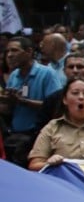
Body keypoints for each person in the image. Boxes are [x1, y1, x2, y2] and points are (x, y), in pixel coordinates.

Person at [1, 36, 62, 165]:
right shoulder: (14, 75)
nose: (10, 55)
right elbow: (9, 110)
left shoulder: (47, 73)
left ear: (29, 52)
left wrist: (23, 101)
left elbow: (54, 106)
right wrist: (7, 101)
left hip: (39, 137)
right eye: (8, 51)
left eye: (14, 50)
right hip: (15, 136)